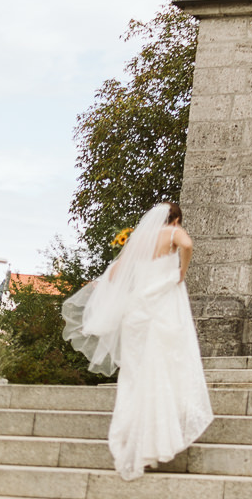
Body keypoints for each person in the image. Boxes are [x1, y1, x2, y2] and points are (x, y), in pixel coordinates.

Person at [62, 202, 213, 480]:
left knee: (135, 375)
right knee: (162, 369)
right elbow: (188, 244)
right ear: (176, 220)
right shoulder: (172, 232)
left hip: (135, 314)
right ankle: (155, 442)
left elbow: (116, 273)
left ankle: (131, 440)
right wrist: (181, 270)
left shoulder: (138, 241)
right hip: (160, 311)